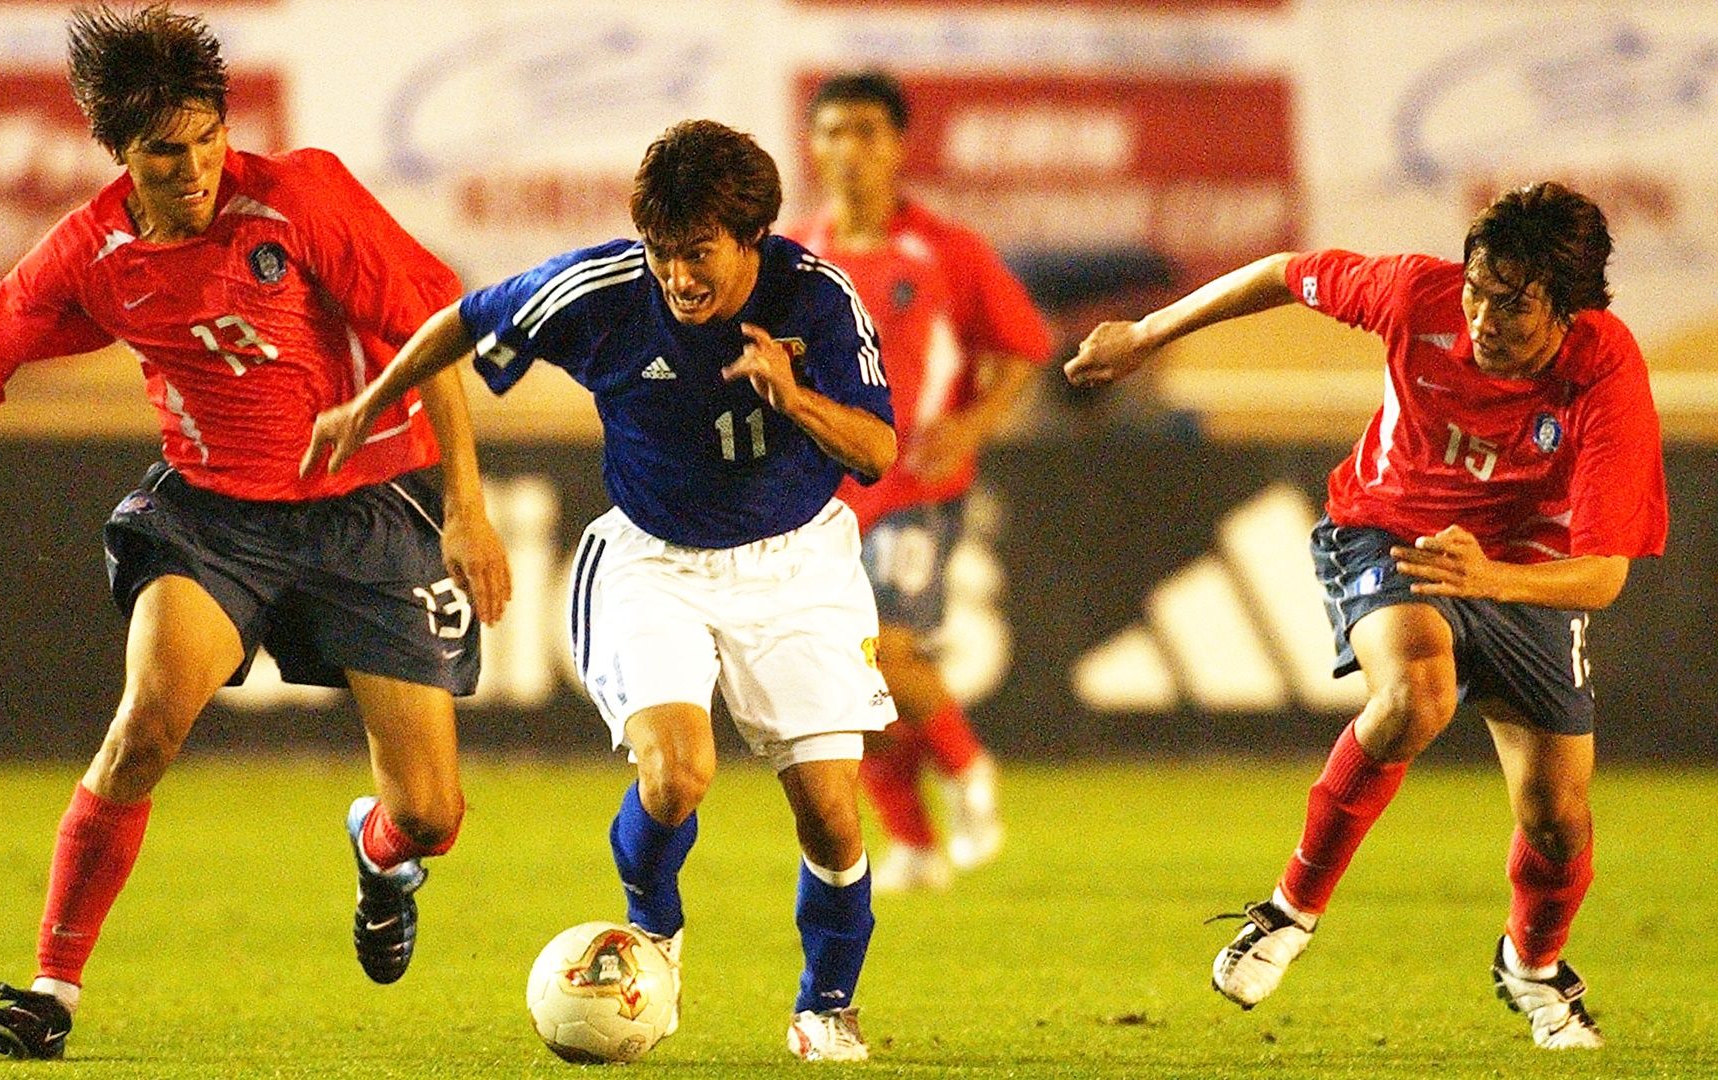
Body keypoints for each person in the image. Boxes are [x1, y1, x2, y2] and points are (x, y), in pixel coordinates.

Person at [0, 4, 510, 1060]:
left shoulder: (298, 195)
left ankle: (382, 851)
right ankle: (50, 990)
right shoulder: (91, 249)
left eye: (209, 138)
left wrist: (467, 509)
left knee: (433, 813)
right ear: (119, 154)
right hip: (211, 519)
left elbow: (435, 333)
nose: (198, 166)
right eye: (168, 152)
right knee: (147, 724)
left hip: (364, 508)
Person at [304, 119, 897, 1063]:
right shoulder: (606, 289)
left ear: (753, 239)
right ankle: (653, 934)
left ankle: (825, 1004)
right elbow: (464, 320)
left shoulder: (817, 299)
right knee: (675, 774)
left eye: (697, 254)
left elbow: (877, 449)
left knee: (830, 814)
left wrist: (794, 397)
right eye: (663, 253)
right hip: (652, 562)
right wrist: (369, 403)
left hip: (797, 565)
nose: (678, 278)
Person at [1065, 181, 1666, 1050]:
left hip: (1519, 571)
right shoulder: (1415, 296)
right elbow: (1281, 272)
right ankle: (1289, 909)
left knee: (1559, 822)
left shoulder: (1605, 369)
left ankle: (1533, 967)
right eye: (1477, 287)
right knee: (1417, 694)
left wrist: (1493, 578)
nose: (1482, 317)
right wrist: (1147, 334)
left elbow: (1604, 574)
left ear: (1570, 308)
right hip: (1389, 531)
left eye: (1513, 303)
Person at [784, 71, 1052, 892]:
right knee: (841, 684)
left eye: (867, 131)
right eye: (832, 131)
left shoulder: (946, 247)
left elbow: (1024, 349)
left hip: (914, 487)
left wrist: (971, 423)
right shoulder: (796, 254)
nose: (849, 149)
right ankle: (915, 844)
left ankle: (971, 774)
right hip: (823, 499)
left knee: (889, 649)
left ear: (898, 145)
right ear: (814, 146)